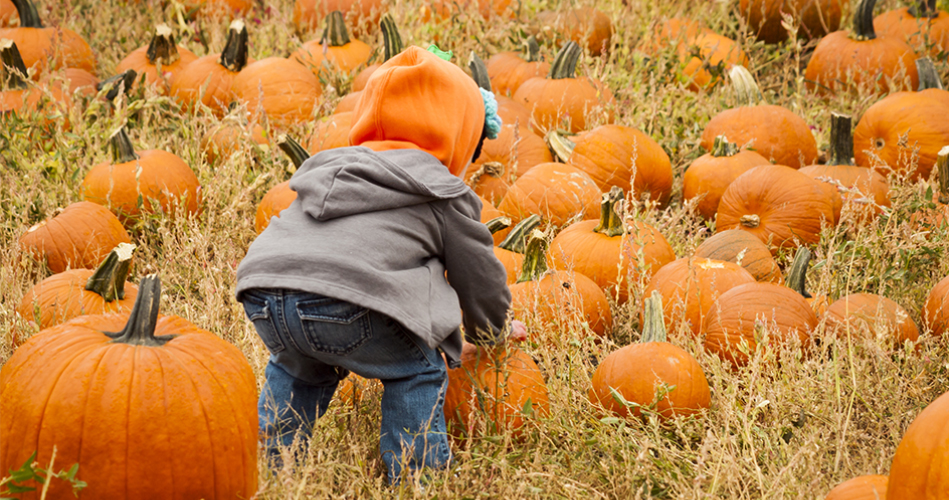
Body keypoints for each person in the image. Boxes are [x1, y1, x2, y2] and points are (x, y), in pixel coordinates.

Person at [235, 45, 521, 483]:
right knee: (419, 368)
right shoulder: (441, 192)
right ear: (459, 134)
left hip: (265, 290)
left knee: (299, 364)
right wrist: (492, 332)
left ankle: (272, 466)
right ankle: (415, 478)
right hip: (345, 303)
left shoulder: (332, 168)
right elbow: (478, 275)